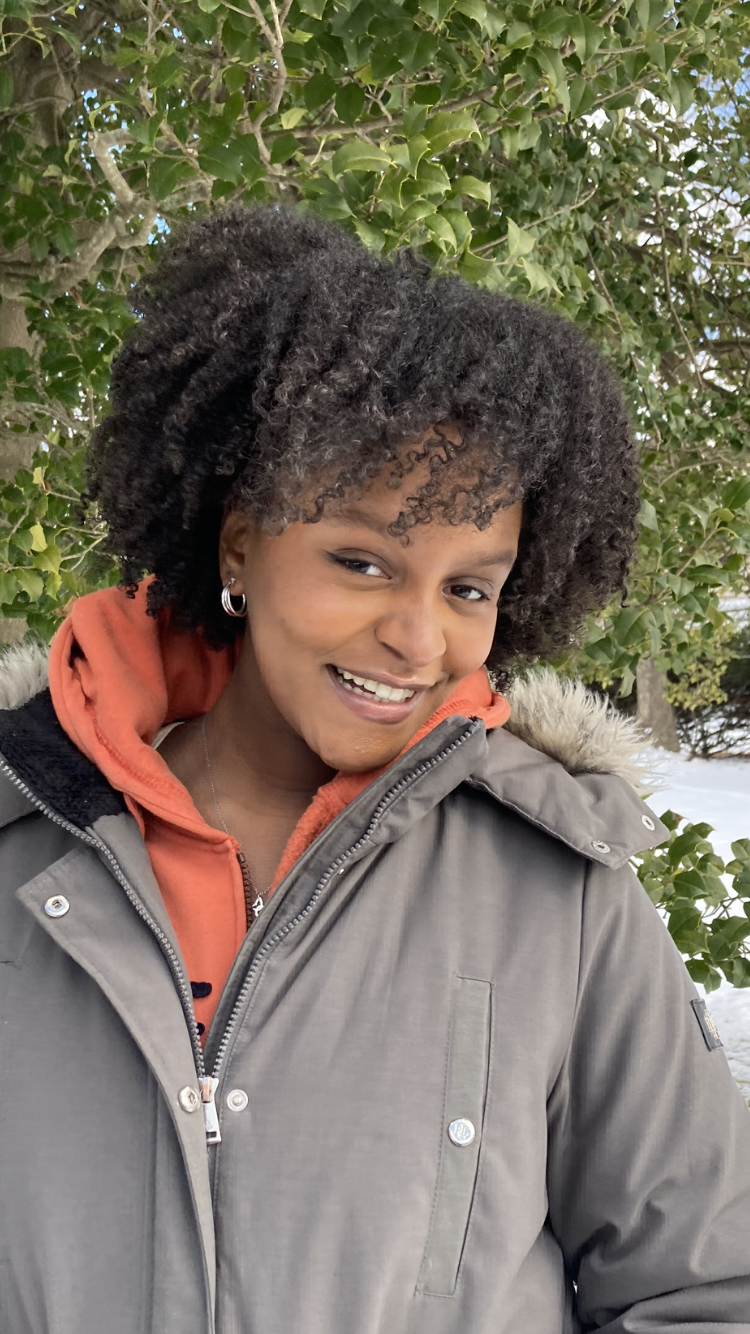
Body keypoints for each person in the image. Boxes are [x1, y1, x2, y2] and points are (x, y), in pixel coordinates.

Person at [0, 204, 748, 1334]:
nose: (418, 638)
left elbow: (705, 1289)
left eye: (467, 587)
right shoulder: (22, 834)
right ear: (239, 540)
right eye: (361, 559)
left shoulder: (562, 893)